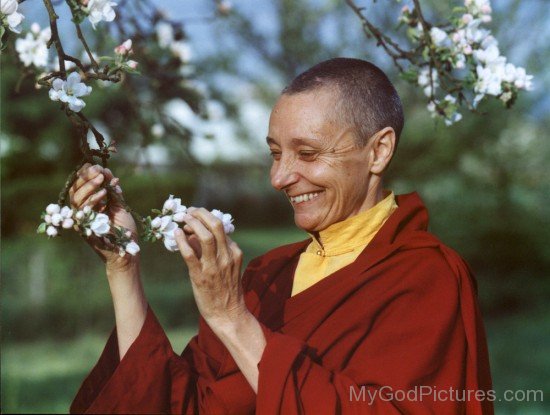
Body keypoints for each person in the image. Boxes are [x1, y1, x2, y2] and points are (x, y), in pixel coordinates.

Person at [69, 58, 493, 414]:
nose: (279, 177)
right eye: (275, 153)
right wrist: (122, 265)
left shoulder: (426, 276)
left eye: (307, 154)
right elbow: (183, 404)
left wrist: (233, 319)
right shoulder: (268, 275)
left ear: (378, 151)